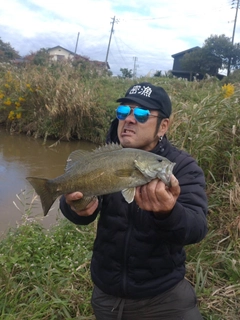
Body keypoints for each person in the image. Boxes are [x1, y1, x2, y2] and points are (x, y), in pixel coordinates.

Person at [60, 82, 208, 320]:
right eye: (122, 113)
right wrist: (76, 208)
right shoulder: (107, 157)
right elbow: (74, 204)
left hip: (164, 295)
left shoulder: (182, 167)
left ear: (164, 126)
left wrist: (169, 213)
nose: (128, 120)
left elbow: (197, 228)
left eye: (140, 114)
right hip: (106, 293)